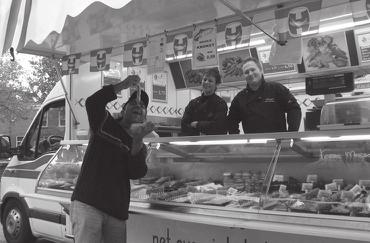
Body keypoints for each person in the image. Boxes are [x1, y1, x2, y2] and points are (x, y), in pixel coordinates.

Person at [70, 75, 154, 243]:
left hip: (116, 212)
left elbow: (136, 172)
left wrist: (138, 139)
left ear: (145, 116)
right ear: (123, 109)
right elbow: (93, 103)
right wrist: (122, 85)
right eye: (134, 103)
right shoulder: (105, 123)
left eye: (143, 106)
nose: (139, 106)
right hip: (89, 204)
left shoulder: (139, 145)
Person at [228, 57, 301, 134]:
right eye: (246, 72)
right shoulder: (240, 98)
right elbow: (231, 121)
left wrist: (291, 134)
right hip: (253, 144)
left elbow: (294, 108)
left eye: (253, 70)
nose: (250, 74)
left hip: (278, 142)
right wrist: (237, 141)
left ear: (261, 70)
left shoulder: (277, 89)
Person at [181, 68, 228, 136]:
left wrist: (197, 124)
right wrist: (205, 126)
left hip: (214, 144)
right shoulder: (193, 103)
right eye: (204, 79)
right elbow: (184, 125)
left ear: (216, 84)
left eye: (210, 81)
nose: (206, 82)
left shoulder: (220, 103)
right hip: (195, 144)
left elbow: (218, 127)